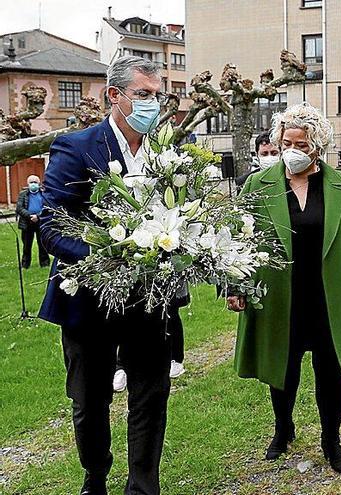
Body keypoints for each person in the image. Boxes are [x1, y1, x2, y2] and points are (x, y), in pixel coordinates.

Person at [38, 55, 184, 495]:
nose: (152, 105)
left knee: (150, 395)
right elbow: (50, 223)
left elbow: (181, 215)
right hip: (89, 297)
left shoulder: (168, 154)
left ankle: (143, 485)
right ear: (114, 96)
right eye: (143, 95)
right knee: (90, 399)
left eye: (157, 96)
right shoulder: (78, 147)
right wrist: (106, 258)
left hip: (150, 299)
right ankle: (95, 474)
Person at [227, 103, 341, 474]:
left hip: (329, 294)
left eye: (300, 143)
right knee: (283, 366)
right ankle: (283, 428)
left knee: (333, 370)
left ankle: (332, 440)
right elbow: (238, 239)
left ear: (318, 146)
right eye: (285, 142)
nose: (291, 149)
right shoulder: (257, 185)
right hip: (280, 294)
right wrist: (235, 284)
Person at [15, 175, 50, 268]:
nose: (33, 184)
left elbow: (47, 207)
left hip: (40, 222)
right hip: (27, 223)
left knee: (42, 244)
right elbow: (19, 208)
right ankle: (25, 265)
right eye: (31, 182)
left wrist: (37, 216)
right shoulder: (23, 194)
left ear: (39, 183)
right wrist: (30, 216)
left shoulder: (44, 194)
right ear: (28, 183)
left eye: (35, 182)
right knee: (27, 245)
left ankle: (45, 264)